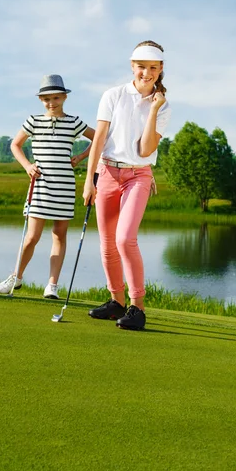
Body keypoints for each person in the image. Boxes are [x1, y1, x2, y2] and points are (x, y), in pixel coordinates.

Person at [83, 40, 171, 330]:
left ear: (160, 70)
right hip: (107, 172)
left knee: (125, 239)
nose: (146, 73)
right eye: (141, 66)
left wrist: (154, 108)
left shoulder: (163, 105)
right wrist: (89, 181)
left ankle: (138, 308)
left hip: (138, 175)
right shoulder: (113, 95)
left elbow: (145, 150)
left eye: (153, 68)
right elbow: (99, 139)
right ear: (132, 66)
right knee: (107, 244)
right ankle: (116, 302)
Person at [0, 74, 95, 299]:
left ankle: (52, 285)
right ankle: (16, 277)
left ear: (65, 97)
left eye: (56, 97)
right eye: (46, 99)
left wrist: (80, 157)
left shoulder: (74, 122)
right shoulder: (33, 121)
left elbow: (98, 138)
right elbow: (15, 145)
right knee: (32, 236)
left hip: (65, 185)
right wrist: (27, 166)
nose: (52, 103)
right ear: (41, 99)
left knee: (59, 235)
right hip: (40, 184)